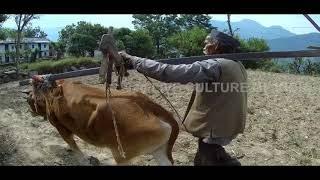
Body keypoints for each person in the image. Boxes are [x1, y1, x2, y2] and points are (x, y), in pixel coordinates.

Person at [108, 29, 247, 166]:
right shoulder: (236, 64)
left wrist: (134, 60)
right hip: (228, 123)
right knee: (204, 155)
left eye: (207, 43)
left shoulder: (214, 65)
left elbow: (169, 72)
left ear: (216, 46)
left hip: (217, 127)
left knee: (210, 155)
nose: (204, 46)